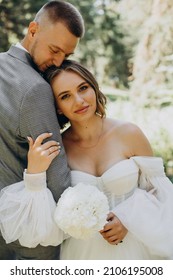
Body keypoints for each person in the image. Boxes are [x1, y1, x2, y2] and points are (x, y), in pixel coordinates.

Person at [1, 60, 173, 260]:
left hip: (135, 249)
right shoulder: (59, 149)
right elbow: (40, 224)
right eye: (65, 96)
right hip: (82, 256)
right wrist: (34, 174)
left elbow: (160, 192)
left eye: (83, 88)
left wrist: (128, 219)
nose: (79, 100)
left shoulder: (129, 133)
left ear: (94, 87)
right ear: (57, 108)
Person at [0, 1, 84, 260]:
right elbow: (56, 174)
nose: (57, 62)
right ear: (33, 30)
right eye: (54, 50)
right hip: (32, 239)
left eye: (66, 56)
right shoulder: (35, 89)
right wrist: (79, 222)